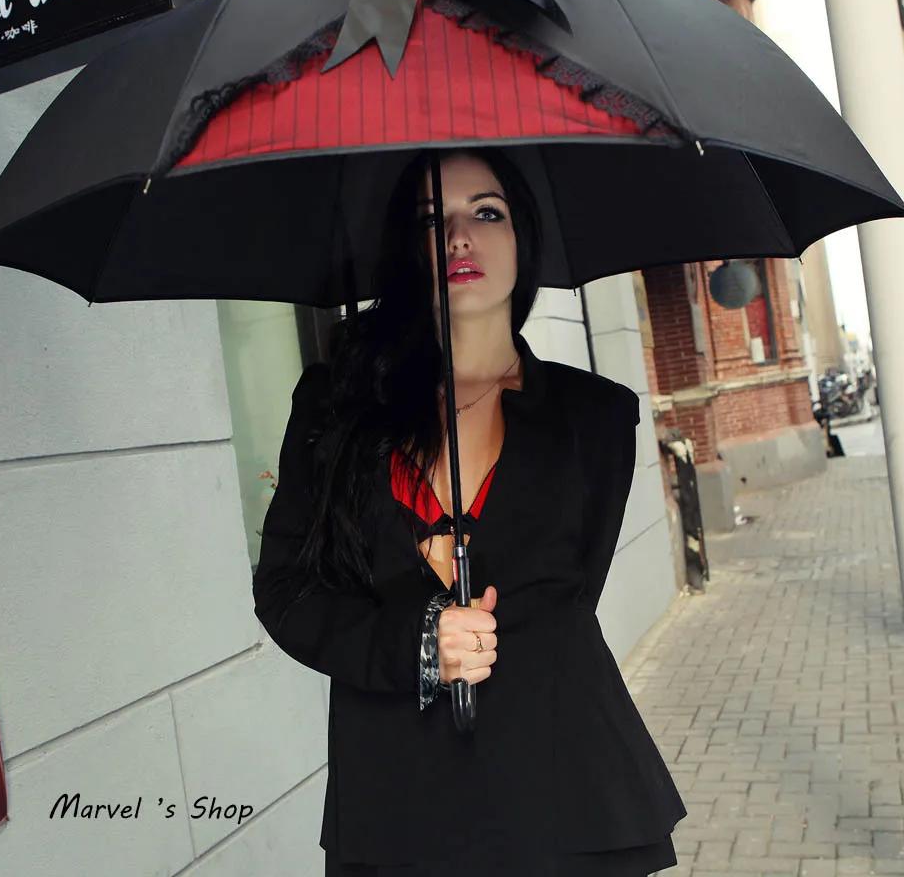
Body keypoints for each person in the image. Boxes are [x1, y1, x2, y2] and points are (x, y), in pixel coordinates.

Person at [253, 147, 687, 876]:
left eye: (487, 213)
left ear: (523, 238)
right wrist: (419, 640)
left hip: (566, 796)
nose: (459, 236)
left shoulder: (596, 418)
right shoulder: (336, 406)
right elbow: (286, 590)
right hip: (393, 801)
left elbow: (569, 599)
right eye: (432, 220)